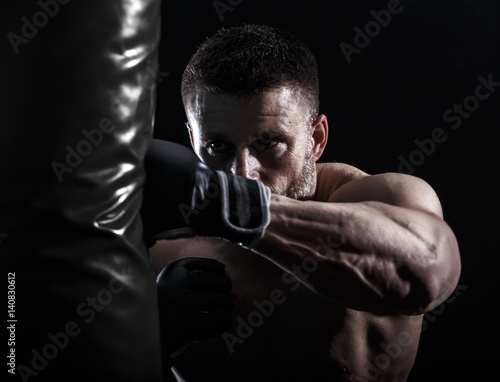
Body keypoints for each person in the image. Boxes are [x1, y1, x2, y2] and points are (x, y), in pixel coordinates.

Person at [149, 24, 461, 382]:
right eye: (217, 146)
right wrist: (149, 336)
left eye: (267, 143)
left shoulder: (377, 200)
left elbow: (427, 272)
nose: (243, 173)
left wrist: (230, 205)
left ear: (316, 138)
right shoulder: (163, 248)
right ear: (192, 138)